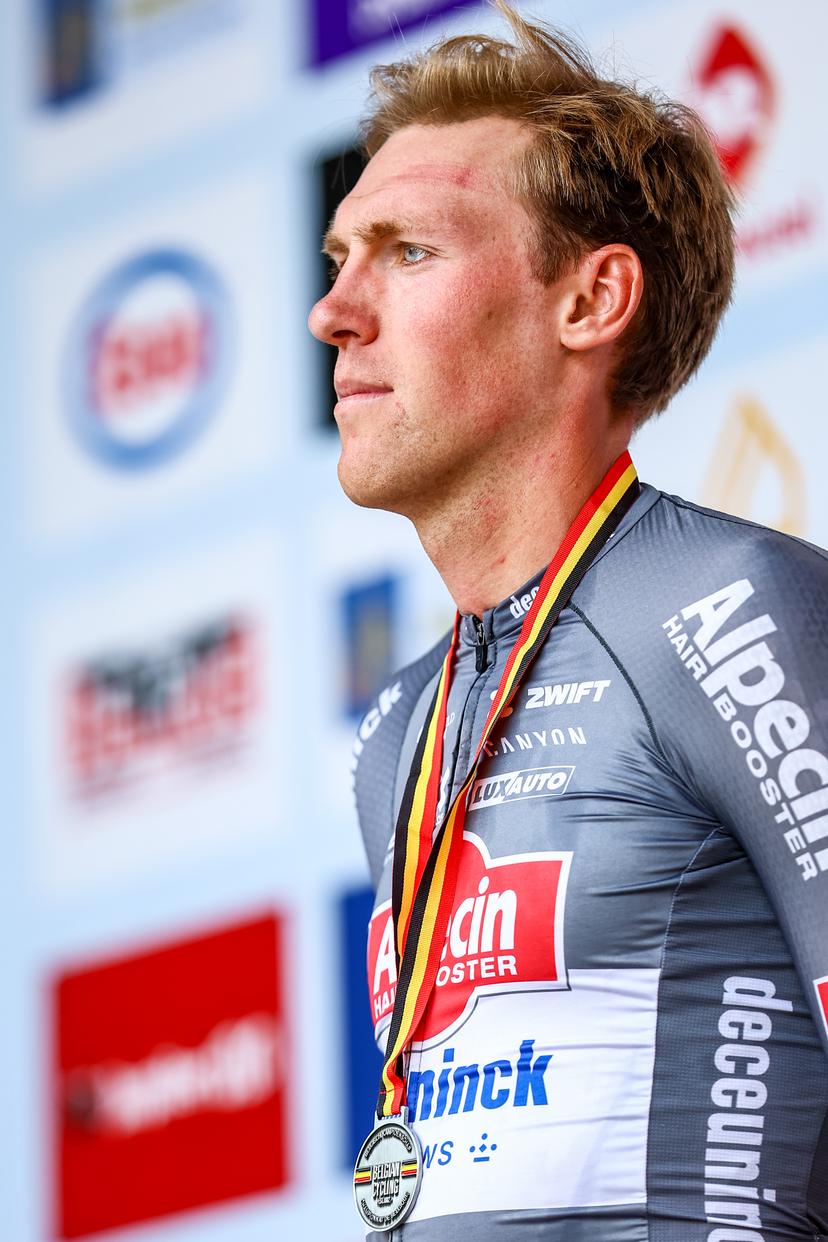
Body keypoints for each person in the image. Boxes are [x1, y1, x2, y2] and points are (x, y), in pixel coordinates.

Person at [308, 4, 828, 1239]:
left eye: (409, 252)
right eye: (338, 257)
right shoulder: (400, 728)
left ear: (591, 300)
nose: (334, 311)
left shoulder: (726, 610)